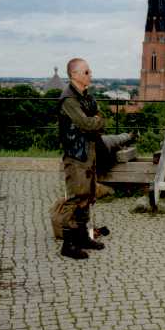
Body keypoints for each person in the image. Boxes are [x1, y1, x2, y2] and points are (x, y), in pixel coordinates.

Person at [58, 57, 107, 259]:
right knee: (76, 198)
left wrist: (95, 121)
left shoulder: (85, 96)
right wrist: (95, 121)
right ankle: (68, 245)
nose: (90, 74)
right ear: (74, 75)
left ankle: (83, 237)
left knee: (87, 195)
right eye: (86, 72)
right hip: (77, 155)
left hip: (89, 152)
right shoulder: (69, 99)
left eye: (89, 71)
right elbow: (87, 123)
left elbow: (99, 117)